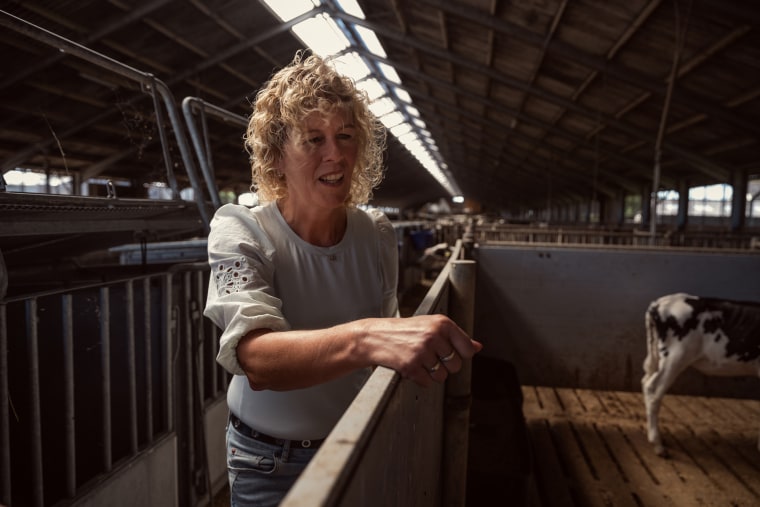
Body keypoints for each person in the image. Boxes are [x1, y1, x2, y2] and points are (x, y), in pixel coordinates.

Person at [203, 51, 482, 506]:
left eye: (346, 135)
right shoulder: (242, 229)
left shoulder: (375, 234)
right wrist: (367, 337)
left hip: (357, 442)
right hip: (271, 462)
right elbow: (256, 358)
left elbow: (387, 333)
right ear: (276, 155)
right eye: (313, 139)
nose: (336, 153)